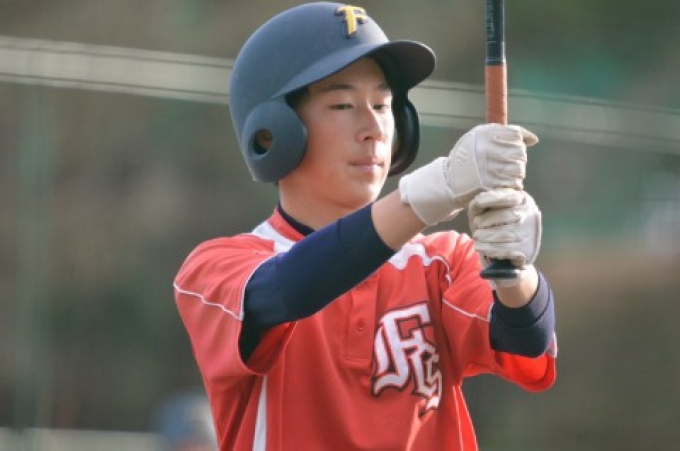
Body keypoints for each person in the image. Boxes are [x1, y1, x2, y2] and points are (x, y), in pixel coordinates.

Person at [173, 2, 557, 450]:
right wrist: (429, 192)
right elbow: (285, 290)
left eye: (383, 104)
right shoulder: (214, 268)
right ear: (270, 133)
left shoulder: (442, 260)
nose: (374, 127)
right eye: (343, 104)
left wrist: (515, 272)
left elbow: (526, 344)